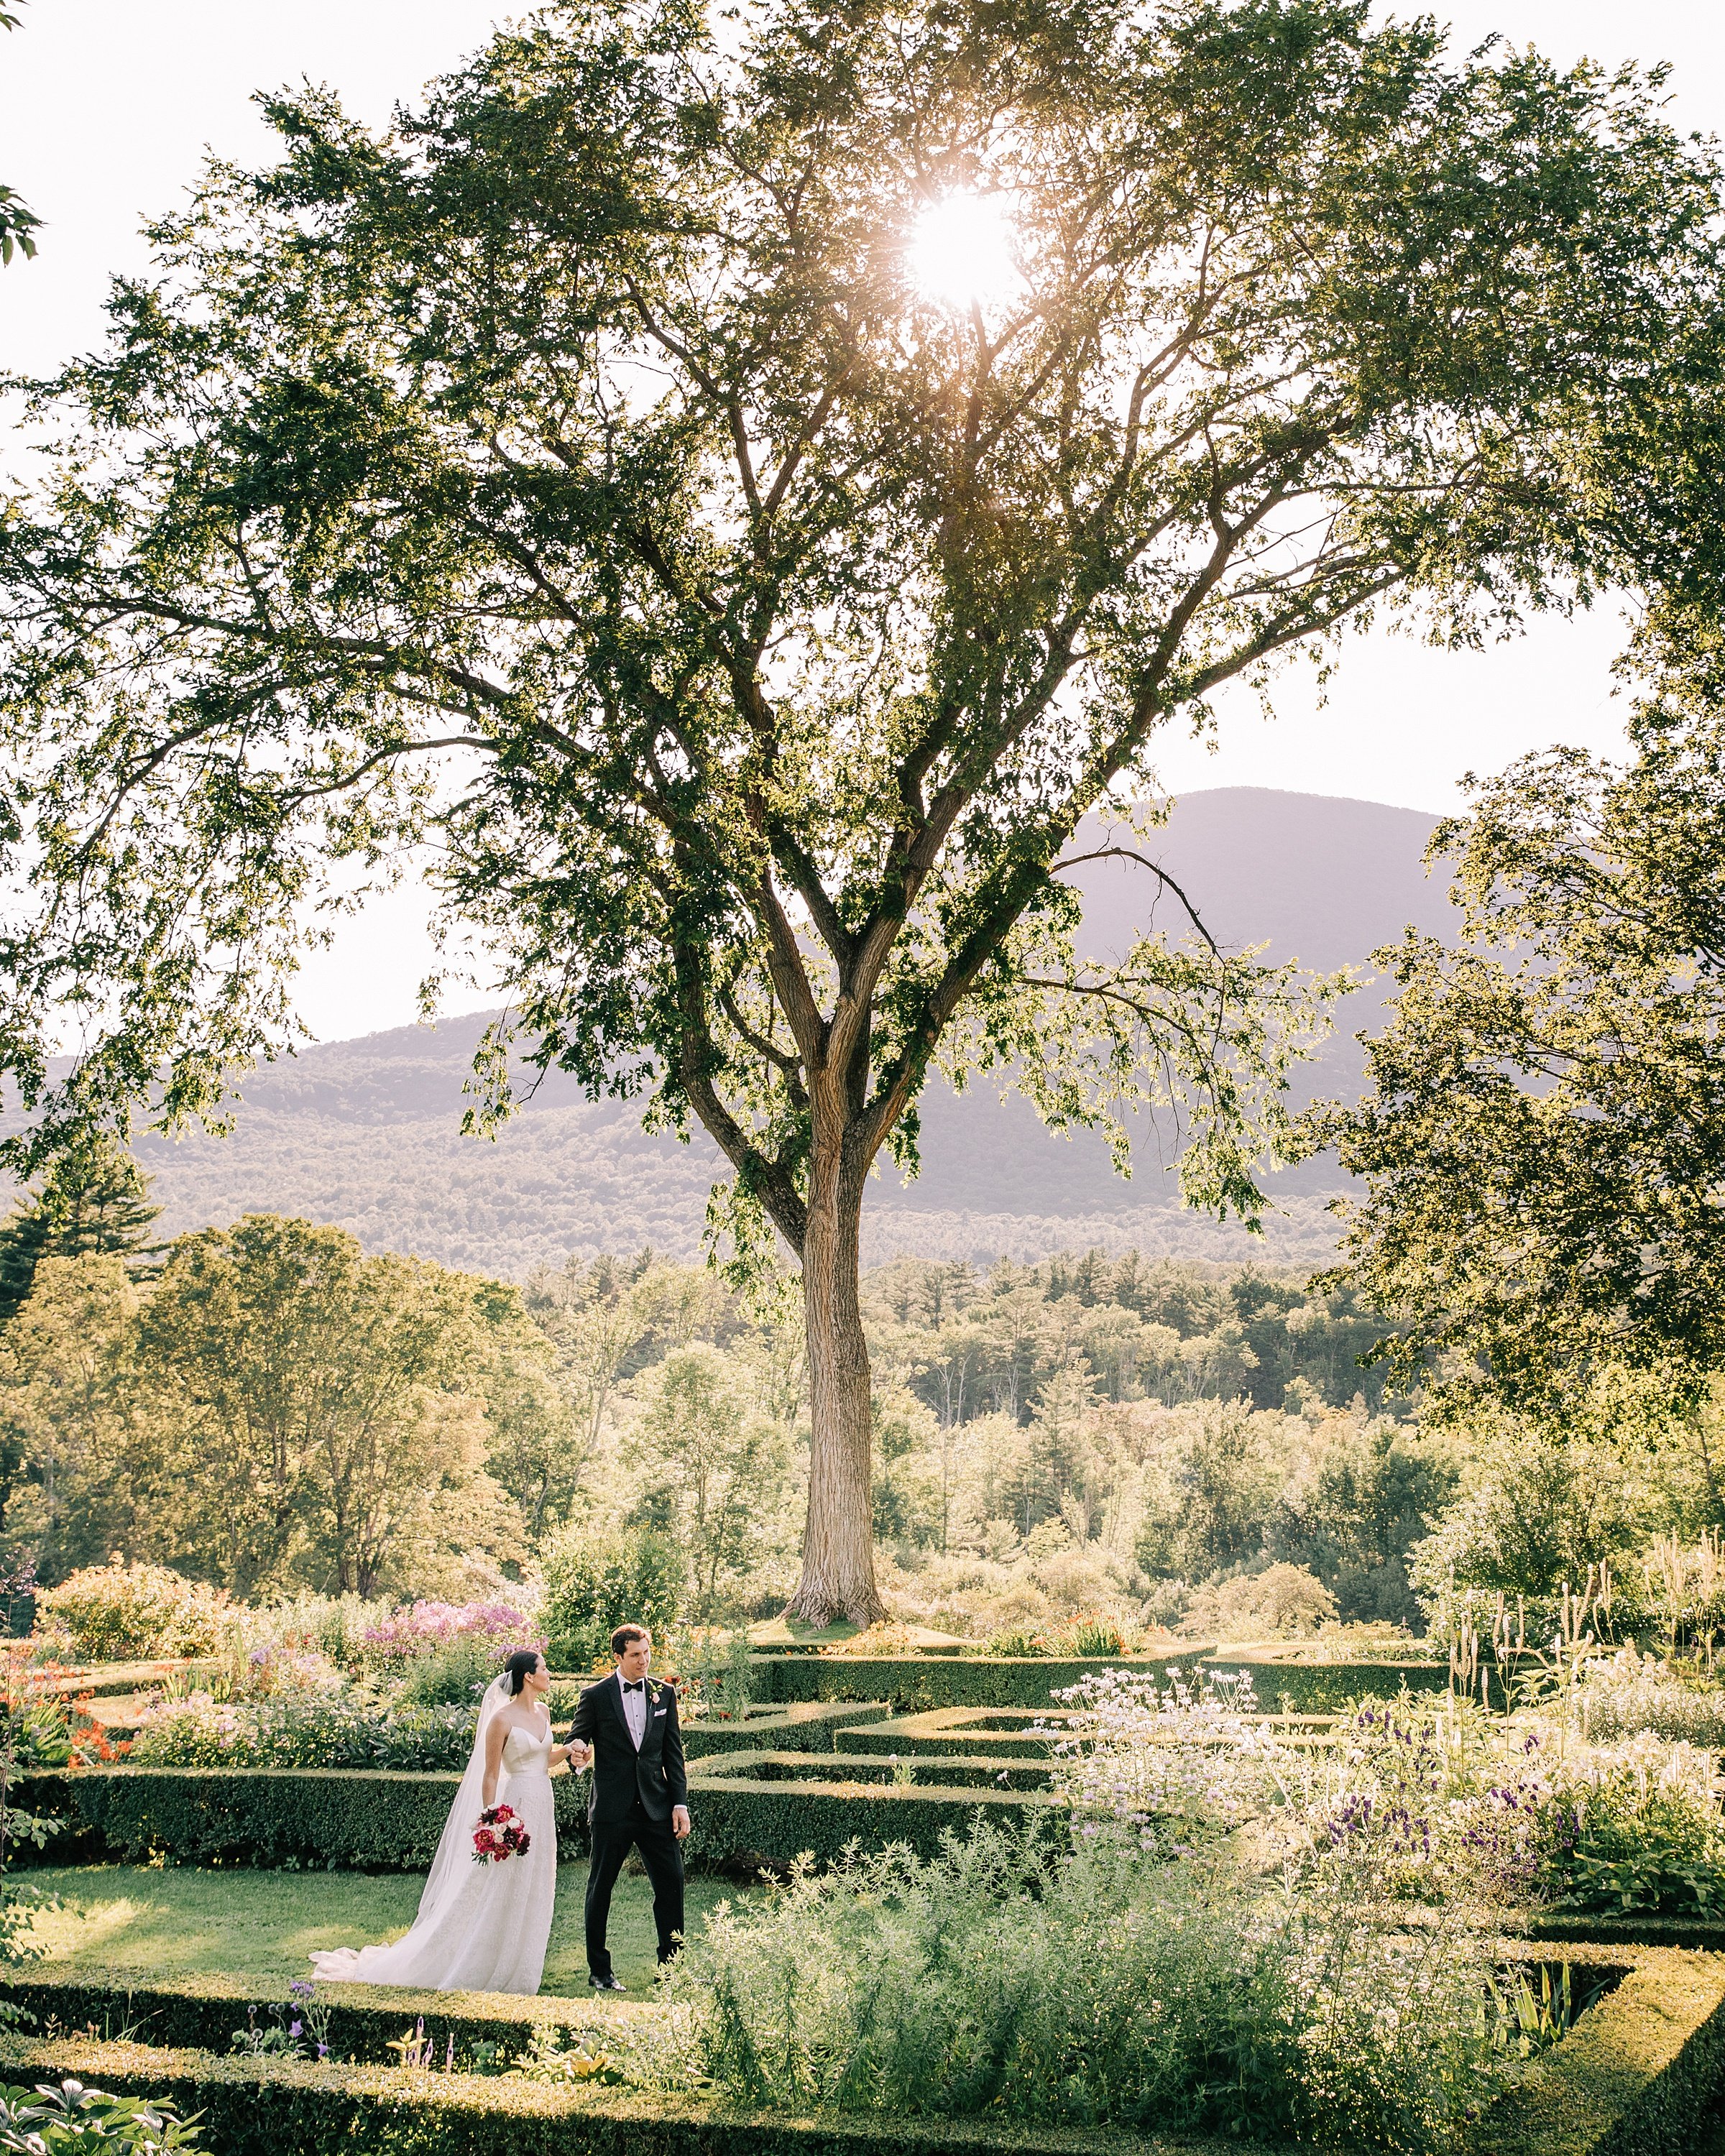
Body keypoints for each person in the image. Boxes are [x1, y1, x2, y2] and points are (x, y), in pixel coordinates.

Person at [310, 1647, 573, 1994]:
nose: (549, 1673)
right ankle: (475, 1957)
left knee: (534, 1883)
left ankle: (520, 1963)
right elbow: (491, 1775)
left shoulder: (543, 1712)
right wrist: (492, 1819)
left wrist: (570, 1751)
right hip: (516, 1808)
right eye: (544, 1668)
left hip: (542, 1802)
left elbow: (542, 1760)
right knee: (499, 1886)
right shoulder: (501, 1720)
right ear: (528, 1676)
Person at [567, 1623, 690, 1990]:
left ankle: (671, 1970)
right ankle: (600, 1972)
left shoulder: (664, 1694)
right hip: (612, 1810)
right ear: (618, 1656)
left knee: (672, 1885)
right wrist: (577, 1752)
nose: (644, 1661)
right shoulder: (596, 1695)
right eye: (635, 1655)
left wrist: (680, 1803)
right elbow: (578, 1736)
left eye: (647, 1653)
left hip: (656, 1807)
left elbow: (673, 1754)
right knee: (600, 1888)